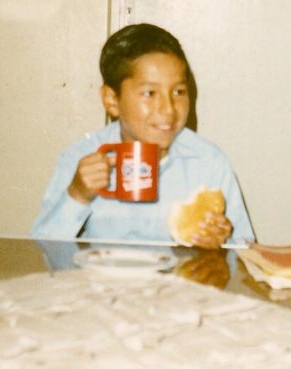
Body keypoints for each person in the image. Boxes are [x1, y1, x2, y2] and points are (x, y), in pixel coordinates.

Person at [31, 23, 254, 249]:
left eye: (178, 92)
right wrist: (77, 195)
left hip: (178, 283)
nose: (168, 109)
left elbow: (245, 250)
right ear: (111, 100)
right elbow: (41, 251)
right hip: (103, 281)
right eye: (150, 93)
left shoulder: (209, 162)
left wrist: (220, 244)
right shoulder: (81, 158)